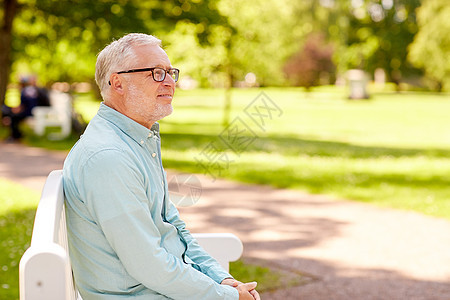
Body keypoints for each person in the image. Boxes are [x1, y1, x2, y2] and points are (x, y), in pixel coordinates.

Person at [63, 33, 260, 300]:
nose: (169, 82)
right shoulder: (109, 157)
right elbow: (149, 265)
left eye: (170, 72)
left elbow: (173, 224)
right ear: (117, 83)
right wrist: (227, 296)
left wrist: (222, 279)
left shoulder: (136, 141)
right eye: (156, 73)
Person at [2, 75, 48, 141]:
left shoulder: (36, 90)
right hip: (28, 110)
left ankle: (16, 135)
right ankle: (16, 134)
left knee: (14, 116)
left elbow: (39, 102)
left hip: (33, 111)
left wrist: (19, 109)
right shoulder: (27, 90)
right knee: (6, 110)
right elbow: (24, 103)